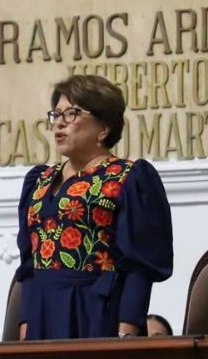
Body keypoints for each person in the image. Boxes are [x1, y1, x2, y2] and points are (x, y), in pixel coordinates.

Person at [16, 74, 174, 340]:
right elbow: (29, 262)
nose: (59, 123)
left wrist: (127, 329)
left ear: (104, 128)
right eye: (56, 114)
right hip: (43, 311)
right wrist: (26, 323)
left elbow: (140, 266)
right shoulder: (39, 180)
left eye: (72, 113)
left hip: (95, 310)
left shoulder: (128, 177)